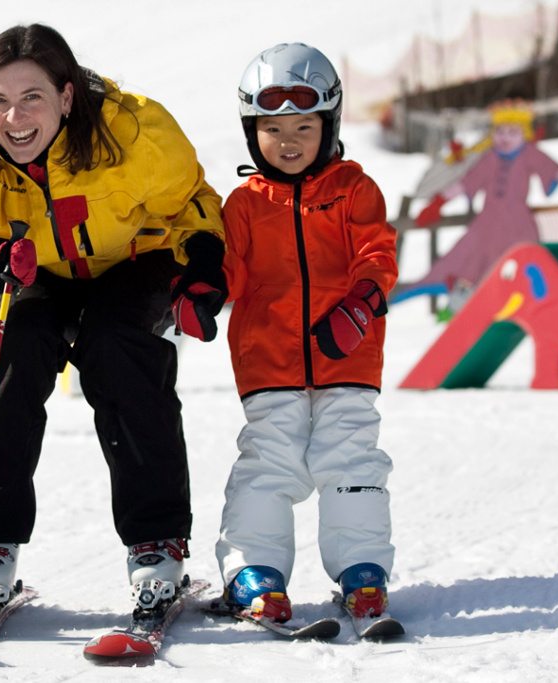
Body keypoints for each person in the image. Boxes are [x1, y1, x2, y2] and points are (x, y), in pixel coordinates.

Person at [0, 23, 226, 613]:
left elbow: (193, 202)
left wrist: (202, 269)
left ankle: (155, 542)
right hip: (39, 268)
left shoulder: (134, 130)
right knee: (6, 351)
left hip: (134, 260)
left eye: (32, 97)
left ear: (66, 96)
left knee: (117, 348)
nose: (15, 117)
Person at [215, 43, 399, 623]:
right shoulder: (243, 204)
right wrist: (198, 289)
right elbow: (230, 271)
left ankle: (361, 569)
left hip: (347, 355)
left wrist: (361, 306)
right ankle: (255, 570)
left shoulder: (353, 190)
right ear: (252, 132)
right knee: (270, 463)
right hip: (268, 363)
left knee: (351, 459)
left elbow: (377, 254)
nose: (289, 141)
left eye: (304, 125)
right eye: (271, 128)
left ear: (330, 125)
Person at [408, 100, 558, 311]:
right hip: (488, 223)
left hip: (517, 222)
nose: (505, 138)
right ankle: (465, 304)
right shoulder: (489, 158)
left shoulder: (529, 154)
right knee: (470, 258)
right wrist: (439, 202)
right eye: (500, 131)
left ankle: (535, 300)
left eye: (512, 132)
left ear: (524, 134)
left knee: (527, 257)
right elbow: (466, 183)